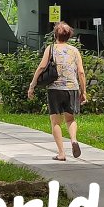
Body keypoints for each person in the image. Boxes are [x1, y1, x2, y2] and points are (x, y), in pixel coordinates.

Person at [28, 21, 86, 161]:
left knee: (55, 122)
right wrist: (83, 91)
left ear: (55, 35)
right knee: (70, 119)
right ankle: (73, 140)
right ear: (69, 36)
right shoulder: (75, 50)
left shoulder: (51, 48)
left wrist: (32, 84)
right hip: (72, 88)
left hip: (55, 89)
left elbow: (42, 67)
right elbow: (81, 72)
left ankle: (61, 153)